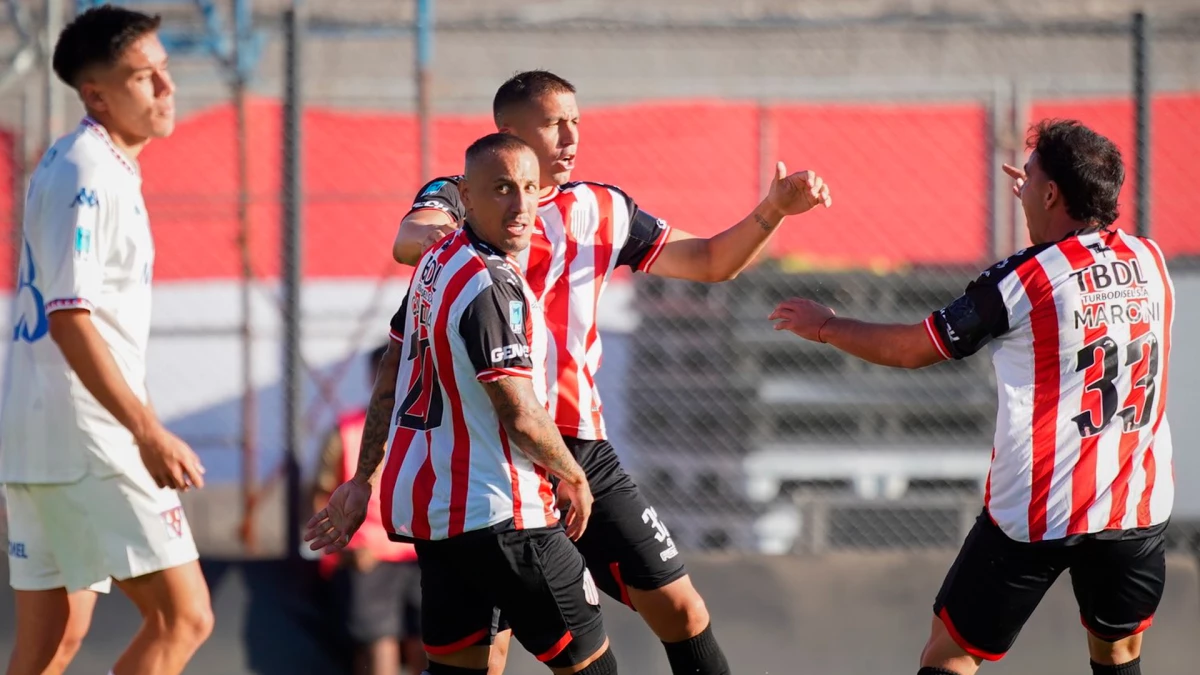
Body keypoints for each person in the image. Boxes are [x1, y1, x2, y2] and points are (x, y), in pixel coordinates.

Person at [392, 70, 831, 675]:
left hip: (578, 448)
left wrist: (774, 209)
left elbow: (708, 261)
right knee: (485, 658)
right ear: (508, 132)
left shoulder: (600, 209)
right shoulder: (465, 193)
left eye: (577, 121)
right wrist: (470, 230)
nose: (571, 136)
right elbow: (408, 240)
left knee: (682, 608)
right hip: (500, 457)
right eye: (553, 123)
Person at [769, 119, 1174, 675]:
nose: (1023, 185)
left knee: (950, 653)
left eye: (1031, 178)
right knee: (1118, 652)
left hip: (1038, 513)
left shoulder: (1022, 281)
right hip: (1133, 505)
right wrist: (1044, 200)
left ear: (1053, 193)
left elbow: (914, 348)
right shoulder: (1152, 262)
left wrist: (826, 326)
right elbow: (1081, 261)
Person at [305, 133, 619, 675]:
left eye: (528, 188)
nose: (520, 206)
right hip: (507, 515)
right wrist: (572, 472)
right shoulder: (488, 282)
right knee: (594, 669)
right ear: (466, 199)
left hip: (440, 526)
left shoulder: (434, 265)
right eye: (501, 189)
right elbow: (518, 411)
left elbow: (389, 377)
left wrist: (362, 480)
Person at [1, 6, 213, 675]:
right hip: (90, 438)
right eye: (144, 77)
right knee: (185, 617)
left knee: (55, 637)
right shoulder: (88, 174)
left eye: (165, 71)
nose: (166, 89)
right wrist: (146, 430)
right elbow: (70, 316)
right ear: (96, 94)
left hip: (41, 439)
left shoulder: (86, 164)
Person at [312, 345, 428, 675]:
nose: (392, 384)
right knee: (379, 641)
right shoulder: (346, 430)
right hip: (369, 557)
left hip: (423, 551)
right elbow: (320, 495)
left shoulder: (432, 427)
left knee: (430, 640)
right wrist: (344, 547)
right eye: (384, 375)